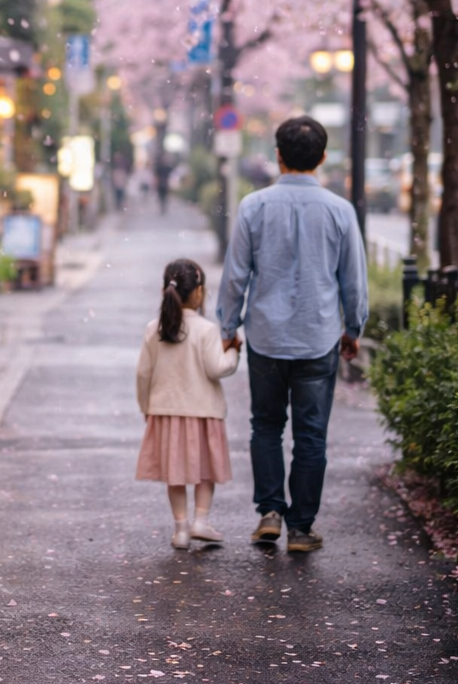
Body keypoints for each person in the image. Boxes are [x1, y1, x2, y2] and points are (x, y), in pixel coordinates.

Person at [215, 115, 368, 554]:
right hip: (318, 336)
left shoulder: (253, 206)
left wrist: (229, 326)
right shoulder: (340, 211)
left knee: (265, 425)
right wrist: (353, 328)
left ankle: (269, 511)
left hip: (265, 337)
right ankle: (301, 527)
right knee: (311, 434)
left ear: (278, 156)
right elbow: (353, 281)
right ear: (321, 158)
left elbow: (235, 276)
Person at [135, 258, 240, 549]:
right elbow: (217, 368)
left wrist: (146, 406)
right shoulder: (207, 330)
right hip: (203, 411)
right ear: (198, 292)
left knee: (175, 472)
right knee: (205, 470)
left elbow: (143, 373)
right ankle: (201, 522)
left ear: (165, 290)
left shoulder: (154, 329)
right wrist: (233, 352)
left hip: (165, 410)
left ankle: (180, 529)